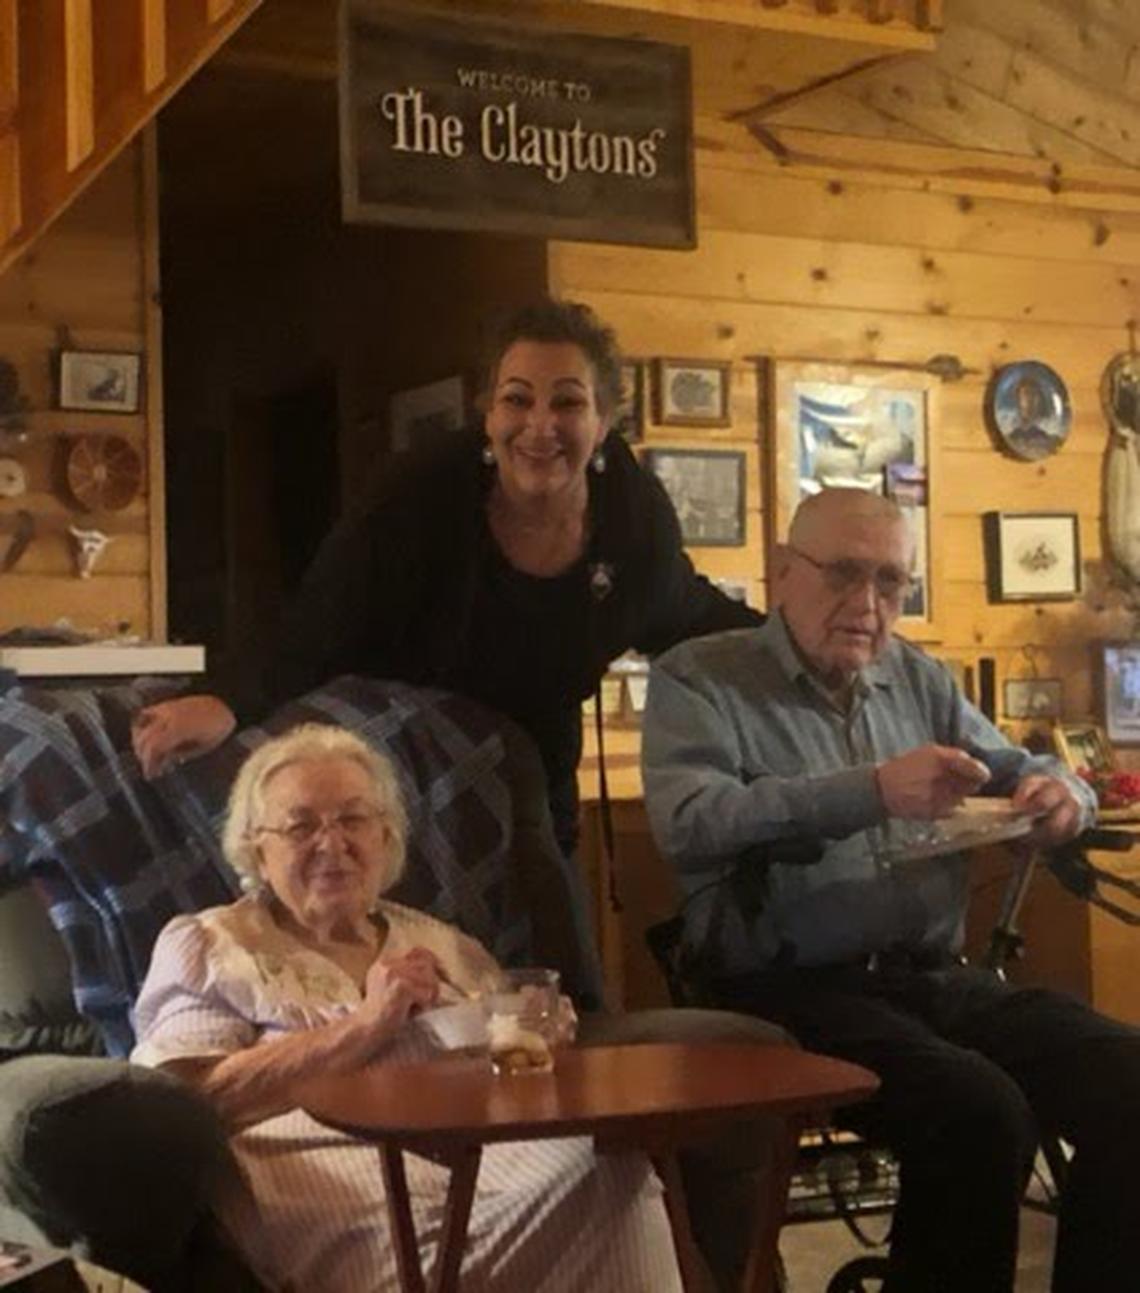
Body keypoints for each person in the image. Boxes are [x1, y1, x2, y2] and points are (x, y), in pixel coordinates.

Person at [641, 487, 1140, 1293]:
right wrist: (871, 789)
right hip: (783, 990)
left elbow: (1019, 763)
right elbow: (691, 822)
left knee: (1129, 1076)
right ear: (780, 572)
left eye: (890, 582)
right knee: (980, 1112)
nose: (866, 604)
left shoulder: (916, 678)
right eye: (842, 573)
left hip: (929, 976)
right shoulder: (701, 678)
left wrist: (1062, 796)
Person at [131, 298, 760, 858]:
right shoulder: (417, 494)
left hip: (534, 795)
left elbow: (685, 614)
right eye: (517, 399)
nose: (540, 425)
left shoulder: (633, 518)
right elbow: (316, 624)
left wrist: (792, 643)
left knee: (545, 976)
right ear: (487, 413)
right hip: (397, 778)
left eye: (567, 401)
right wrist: (226, 701)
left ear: (603, 420)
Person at [132, 723, 685, 1293]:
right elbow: (183, 1102)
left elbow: (514, 1085)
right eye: (301, 825)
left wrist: (540, 1040)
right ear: (255, 848)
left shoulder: (445, 946)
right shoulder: (214, 945)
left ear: (386, 838)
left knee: (615, 1167)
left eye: (353, 820)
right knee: (609, 1199)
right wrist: (366, 1026)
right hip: (354, 1207)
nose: (333, 843)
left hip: (486, 1177)